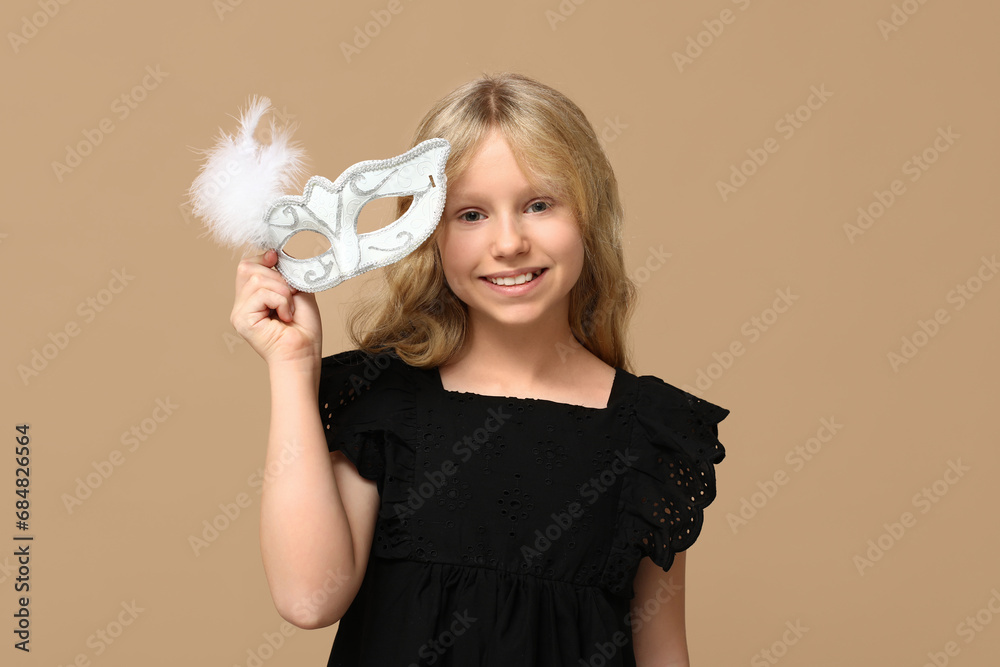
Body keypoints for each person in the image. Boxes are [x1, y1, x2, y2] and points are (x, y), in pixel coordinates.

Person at [230, 72, 729, 667]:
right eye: (471, 215)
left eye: (539, 204)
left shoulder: (653, 431)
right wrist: (291, 367)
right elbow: (307, 600)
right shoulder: (381, 402)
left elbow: (662, 651)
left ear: (590, 217)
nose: (509, 242)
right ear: (429, 234)